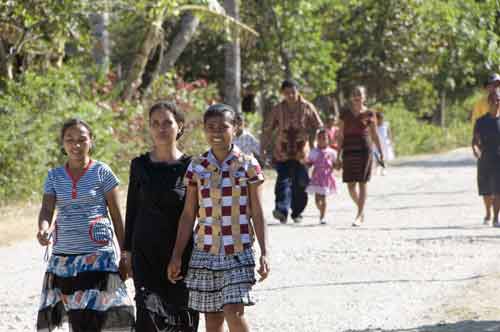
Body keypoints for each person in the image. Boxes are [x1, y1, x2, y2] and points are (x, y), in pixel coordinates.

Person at [167, 104, 270, 332]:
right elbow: (188, 214)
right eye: (210, 127)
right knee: (212, 321)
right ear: (204, 130)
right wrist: (176, 255)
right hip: (205, 251)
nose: (216, 132)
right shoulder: (197, 167)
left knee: (234, 311)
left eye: (223, 127)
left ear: (235, 128)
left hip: (238, 250)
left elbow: (258, 212)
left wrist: (265, 252)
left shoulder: (248, 165)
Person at [36, 118, 135, 331]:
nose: (76, 145)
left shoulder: (102, 172)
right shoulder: (54, 176)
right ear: (62, 143)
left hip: (99, 258)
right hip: (64, 260)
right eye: (70, 140)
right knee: (76, 318)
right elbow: (46, 210)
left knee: (109, 316)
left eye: (82, 139)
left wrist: (126, 255)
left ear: (91, 141)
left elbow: (117, 217)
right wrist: (43, 229)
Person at [124, 101, 199, 331]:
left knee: (181, 317)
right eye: (155, 123)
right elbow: (132, 210)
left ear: (180, 126)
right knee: (147, 316)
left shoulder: (192, 166)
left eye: (167, 122)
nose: (161, 128)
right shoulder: (139, 165)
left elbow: (198, 213)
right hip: (144, 253)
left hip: (181, 252)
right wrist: (126, 252)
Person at [262, 79, 323, 224]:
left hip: (302, 152)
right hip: (282, 151)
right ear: (282, 93)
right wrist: (264, 147)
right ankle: (281, 210)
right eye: (286, 93)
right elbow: (268, 129)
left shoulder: (307, 107)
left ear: (298, 91)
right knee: (283, 181)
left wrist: (317, 143)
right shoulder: (277, 109)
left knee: (301, 182)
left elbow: (319, 125)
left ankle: (297, 212)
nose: (290, 95)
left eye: (293, 92)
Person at [337, 86, 384, 227]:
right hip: (349, 150)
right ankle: (361, 209)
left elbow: (374, 134)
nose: (357, 97)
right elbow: (340, 134)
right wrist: (338, 154)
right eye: (354, 94)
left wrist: (380, 152)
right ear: (351, 97)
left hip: (364, 150)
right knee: (351, 186)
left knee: (362, 183)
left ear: (364, 97)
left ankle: (359, 215)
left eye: (360, 94)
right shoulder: (344, 113)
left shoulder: (370, 113)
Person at [471, 73, 500, 224]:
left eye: (497, 84)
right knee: (486, 185)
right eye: (492, 84)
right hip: (485, 144)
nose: (495, 88)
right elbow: (477, 126)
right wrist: (476, 146)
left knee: (498, 186)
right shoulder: (480, 104)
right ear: (487, 87)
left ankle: (496, 216)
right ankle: (488, 213)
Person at [306, 128, 338, 224]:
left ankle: (322, 216)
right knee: (317, 199)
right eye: (319, 138)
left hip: (326, 178)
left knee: (323, 198)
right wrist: (305, 163)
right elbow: (310, 162)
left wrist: (337, 166)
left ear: (328, 139)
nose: (322, 140)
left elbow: (335, 164)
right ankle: (320, 210)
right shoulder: (314, 152)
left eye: (324, 138)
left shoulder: (331, 152)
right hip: (316, 177)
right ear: (317, 140)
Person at [374, 111, 395, 176]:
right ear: (376, 119)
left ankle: (384, 169)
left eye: (382, 118)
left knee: (384, 156)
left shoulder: (386, 124)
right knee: (377, 155)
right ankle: (377, 168)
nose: (381, 120)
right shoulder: (374, 125)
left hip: (385, 143)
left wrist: (391, 142)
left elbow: (389, 134)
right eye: (380, 119)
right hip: (376, 143)